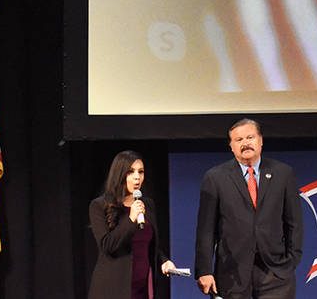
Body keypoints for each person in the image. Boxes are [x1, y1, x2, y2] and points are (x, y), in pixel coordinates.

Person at [194, 118, 303, 299]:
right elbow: (206, 229)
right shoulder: (215, 177)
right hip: (231, 272)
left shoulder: (283, 173)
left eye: (250, 137)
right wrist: (204, 270)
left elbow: (294, 222)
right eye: (238, 140)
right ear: (231, 146)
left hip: (275, 272)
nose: (245, 143)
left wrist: (291, 260)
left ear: (260, 140)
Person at [88, 150, 176, 299]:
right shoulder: (99, 205)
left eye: (140, 172)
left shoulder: (146, 204)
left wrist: (164, 261)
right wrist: (130, 220)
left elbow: (148, 242)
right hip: (114, 289)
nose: (137, 177)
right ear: (120, 174)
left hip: (142, 289)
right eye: (131, 172)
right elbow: (107, 246)